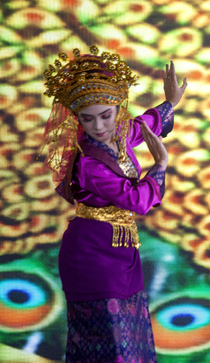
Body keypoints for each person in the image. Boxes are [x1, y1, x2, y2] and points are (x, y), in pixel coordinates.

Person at [40, 45, 187, 361]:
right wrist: (159, 165)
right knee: (108, 333)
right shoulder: (90, 164)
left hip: (120, 249)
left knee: (126, 327)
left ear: (119, 111)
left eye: (106, 115)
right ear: (77, 119)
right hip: (92, 251)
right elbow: (137, 200)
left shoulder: (119, 134)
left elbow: (146, 124)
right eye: (88, 119)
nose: (99, 126)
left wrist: (171, 102)